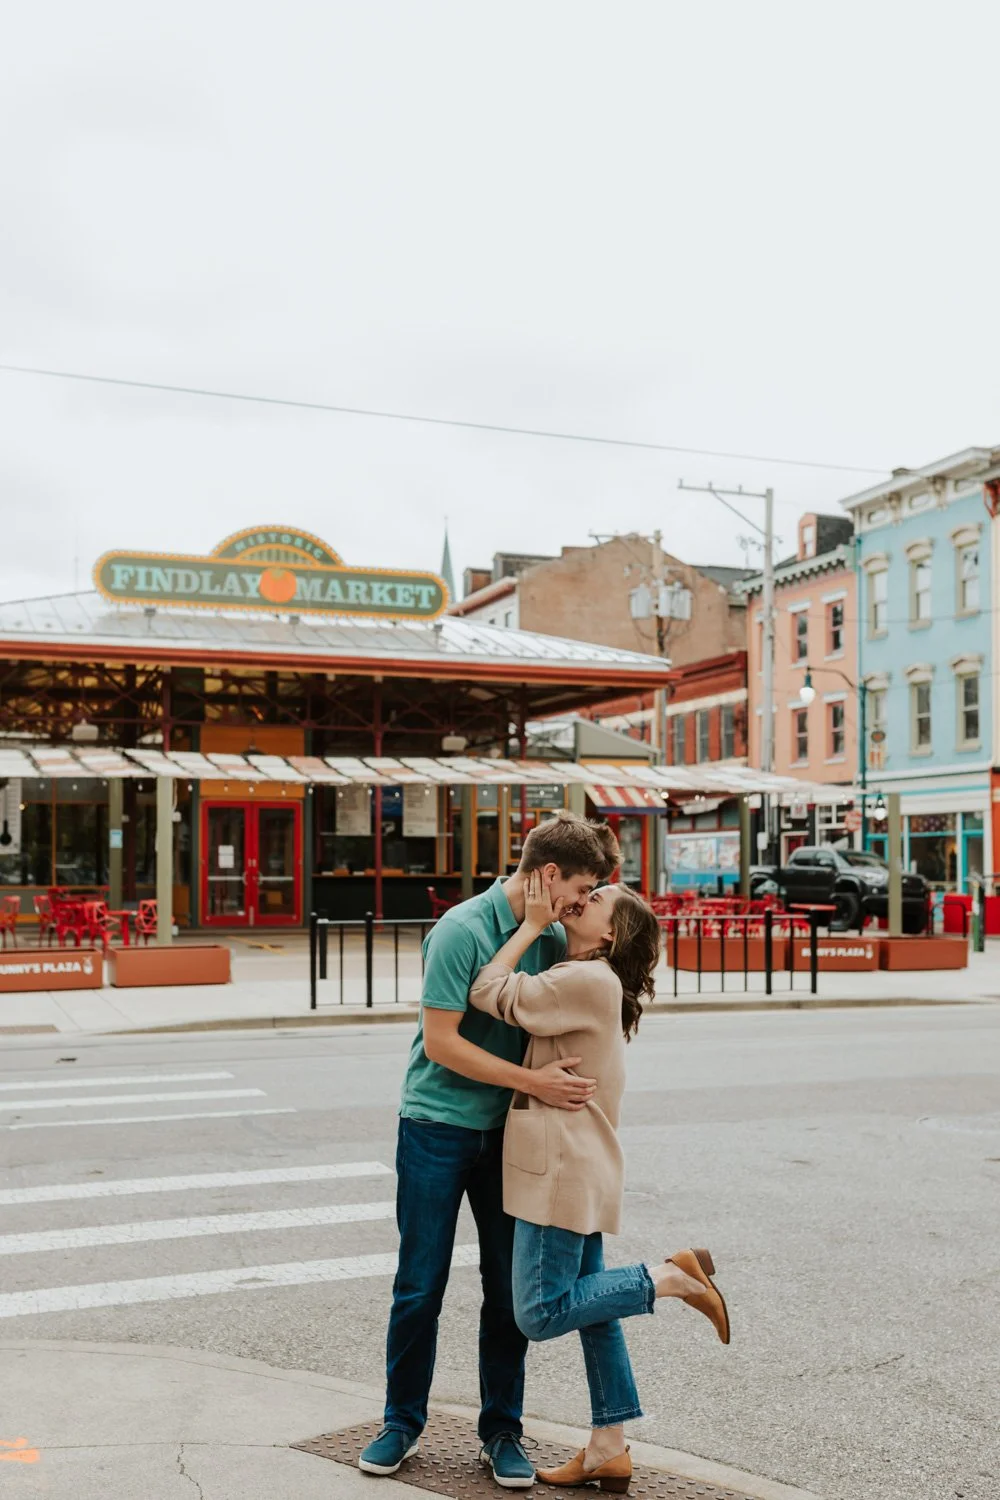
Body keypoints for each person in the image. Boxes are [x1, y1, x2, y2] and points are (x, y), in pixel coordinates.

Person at [360, 811, 621, 1488]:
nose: (580, 905)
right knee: (420, 1284)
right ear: (549, 874)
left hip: (511, 1134)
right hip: (437, 1124)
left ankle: (501, 1430)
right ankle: (401, 1422)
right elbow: (443, 1042)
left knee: (508, 1289)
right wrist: (531, 1081)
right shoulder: (461, 930)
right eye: (579, 890)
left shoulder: (557, 939)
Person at [468, 873, 731, 1494]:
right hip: (578, 1163)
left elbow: (486, 989)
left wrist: (531, 924)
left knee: (538, 1310)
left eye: (598, 900)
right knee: (594, 1309)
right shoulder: (593, 981)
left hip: (558, 1168)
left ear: (610, 934)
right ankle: (609, 1446)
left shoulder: (585, 978)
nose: (585, 899)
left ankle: (670, 1277)